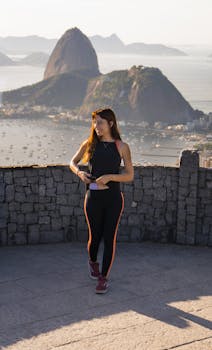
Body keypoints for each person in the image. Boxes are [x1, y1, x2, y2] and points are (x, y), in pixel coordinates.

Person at [70, 108, 134, 294]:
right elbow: (72, 162)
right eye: (94, 122)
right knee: (95, 237)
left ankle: (103, 278)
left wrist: (110, 177)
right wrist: (80, 172)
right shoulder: (89, 144)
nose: (96, 126)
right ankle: (92, 261)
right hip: (93, 198)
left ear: (110, 124)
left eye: (100, 122)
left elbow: (129, 175)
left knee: (109, 238)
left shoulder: (121, 147)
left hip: (114, 199)